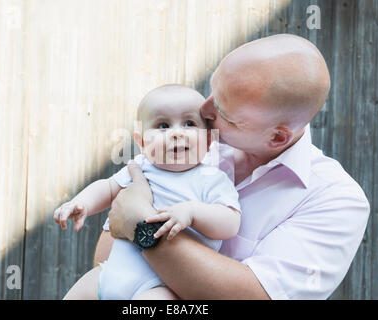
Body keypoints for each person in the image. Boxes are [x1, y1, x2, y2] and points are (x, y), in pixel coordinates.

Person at [65, 34, 370, 300]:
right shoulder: (188, 146)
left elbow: (252, 296)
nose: (203, 110)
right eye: (211, 90)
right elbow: (106, 259)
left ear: (278, 137)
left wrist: (141, 225)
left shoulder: (335, 200)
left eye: (222, 110)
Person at [55, 84, 241, 299]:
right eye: (163, 125)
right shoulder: (140, 167)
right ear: (142, 141)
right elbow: (107, 187)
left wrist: (193, 212)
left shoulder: (211, 179)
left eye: (189, 123)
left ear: (208, 140)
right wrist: (82, 202)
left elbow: (230, 222)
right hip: (109, 274)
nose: (177, 133)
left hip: (161, 285)